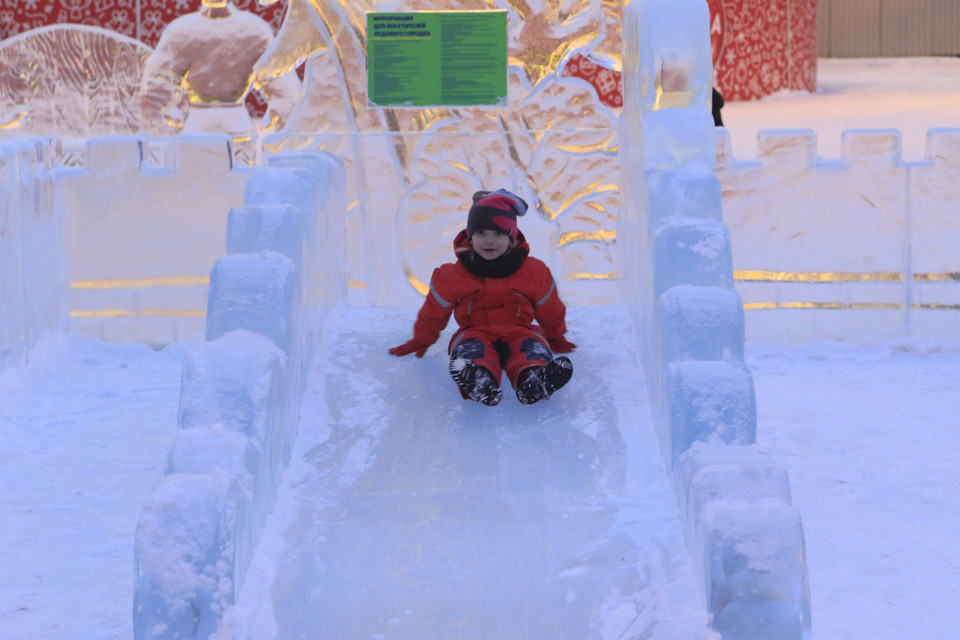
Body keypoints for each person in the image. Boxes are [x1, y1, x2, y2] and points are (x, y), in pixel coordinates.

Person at [389, 189, 576, 406]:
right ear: (470, 236)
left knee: (531, 348)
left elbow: (550, 308)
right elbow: (433, 312)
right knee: (470, 352)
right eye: (481, 233)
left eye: (498, 234)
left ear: (511, 236)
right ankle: (479, 382)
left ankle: (533, 380)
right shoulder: (453, 274)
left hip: (519, 330)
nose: (489, 241)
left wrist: (555, 336)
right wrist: (421, 339)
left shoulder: (533, 271)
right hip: (474, 331)